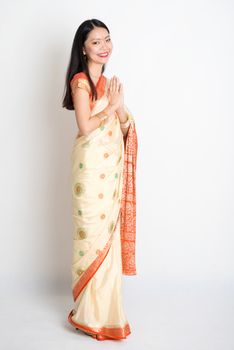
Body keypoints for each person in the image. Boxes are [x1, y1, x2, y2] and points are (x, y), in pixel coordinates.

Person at [62, 18, 138, 341]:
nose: (104, 46)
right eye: (96, 41)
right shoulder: (81, 82)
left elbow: (124, 127)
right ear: (84, 48)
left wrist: (120, 109)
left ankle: (106, 315)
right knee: (91, 236)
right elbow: (86, 126)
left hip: (111, 176)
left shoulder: (110, 85)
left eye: (107, 39)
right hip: (90, 173)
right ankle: (88, 314)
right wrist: (111, 109)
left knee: (108, 240)